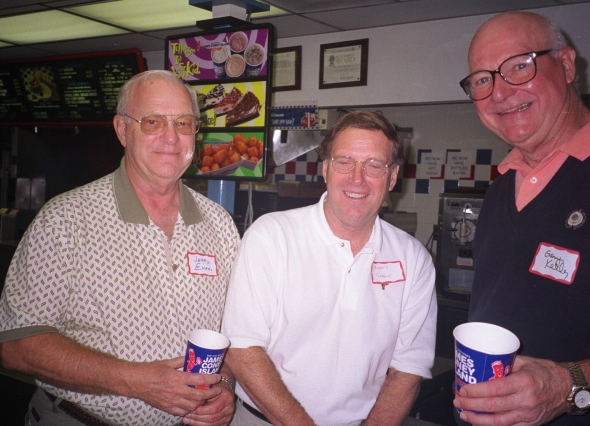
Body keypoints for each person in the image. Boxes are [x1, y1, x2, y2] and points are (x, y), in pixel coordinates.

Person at [0, 70, 239, 426]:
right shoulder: (66, 220)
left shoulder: (219, 225)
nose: (171, 138)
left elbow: (235, 335)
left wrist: (225, 387)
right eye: (153, 122)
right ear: (123, 129)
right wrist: (136, 381)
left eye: (184, 123)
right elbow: (18, 345)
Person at [221, 110, 437, 426]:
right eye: (344, 162)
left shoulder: (414, 258)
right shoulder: (271, 236)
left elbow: (408, 367)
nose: (357, 178)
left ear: (392, 176)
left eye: (374, 165)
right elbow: (243, 349)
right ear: (325, 169)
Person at [454, 11, 590, 426]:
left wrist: (569, 387)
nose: (499, 93)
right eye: (482, 79)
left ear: (566, 65)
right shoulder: (499, 190)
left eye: (519, 66)